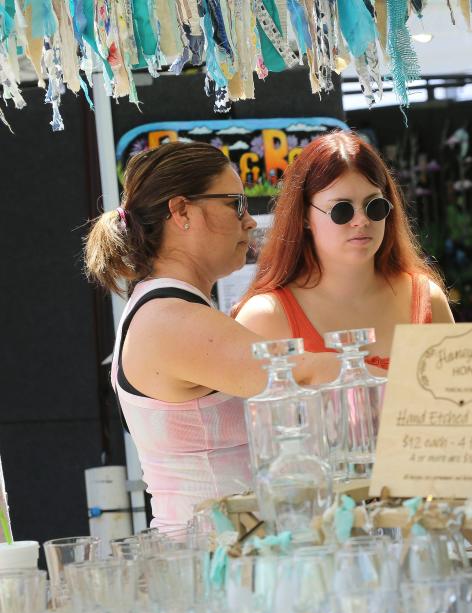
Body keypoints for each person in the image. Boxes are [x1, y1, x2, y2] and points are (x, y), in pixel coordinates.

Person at [84, 142, 327, 531]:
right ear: (181, 212)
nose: (249, 221)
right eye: (236, 203)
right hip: (212, 565)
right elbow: (308, 373)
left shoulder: (168, 310)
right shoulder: (170, 320)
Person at [234, 131, 454, 379]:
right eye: (342, 210)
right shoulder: (265, 317)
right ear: (304, 216)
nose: (361, 221)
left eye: (375, 206)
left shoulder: (426, 299)